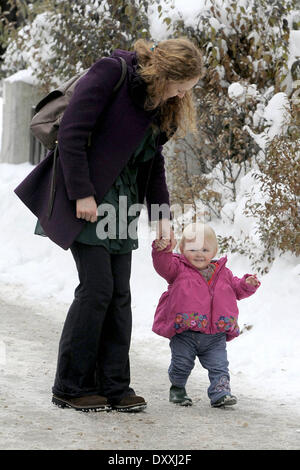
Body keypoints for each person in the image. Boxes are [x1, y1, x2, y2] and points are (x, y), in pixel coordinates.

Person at [15, 37, 203, 412]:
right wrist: (82, 193)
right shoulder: (111, 74)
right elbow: (71, 133)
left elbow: (152, 164)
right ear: (165, 73)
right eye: (182, 87)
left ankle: (115, 386)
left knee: (120, 294)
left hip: (123, 205)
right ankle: (70, 385)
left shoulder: (159, 105)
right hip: (87, 200)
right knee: (97, 289)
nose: (183, 96)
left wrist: (162, 217)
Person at [152, 223, 260, 408]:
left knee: (219, 365)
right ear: (182, 249)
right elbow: (163, 266)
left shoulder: (223, 273)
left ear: (214, 251)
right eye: (192, 249)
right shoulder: (178, 269)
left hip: (215, 334)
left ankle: (221, 393)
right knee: (182, 364)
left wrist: (247, 284)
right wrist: (162, 251)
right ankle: (177, 387)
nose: (199, 254)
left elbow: (237, 289)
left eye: (204, 249)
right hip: (185, 332)